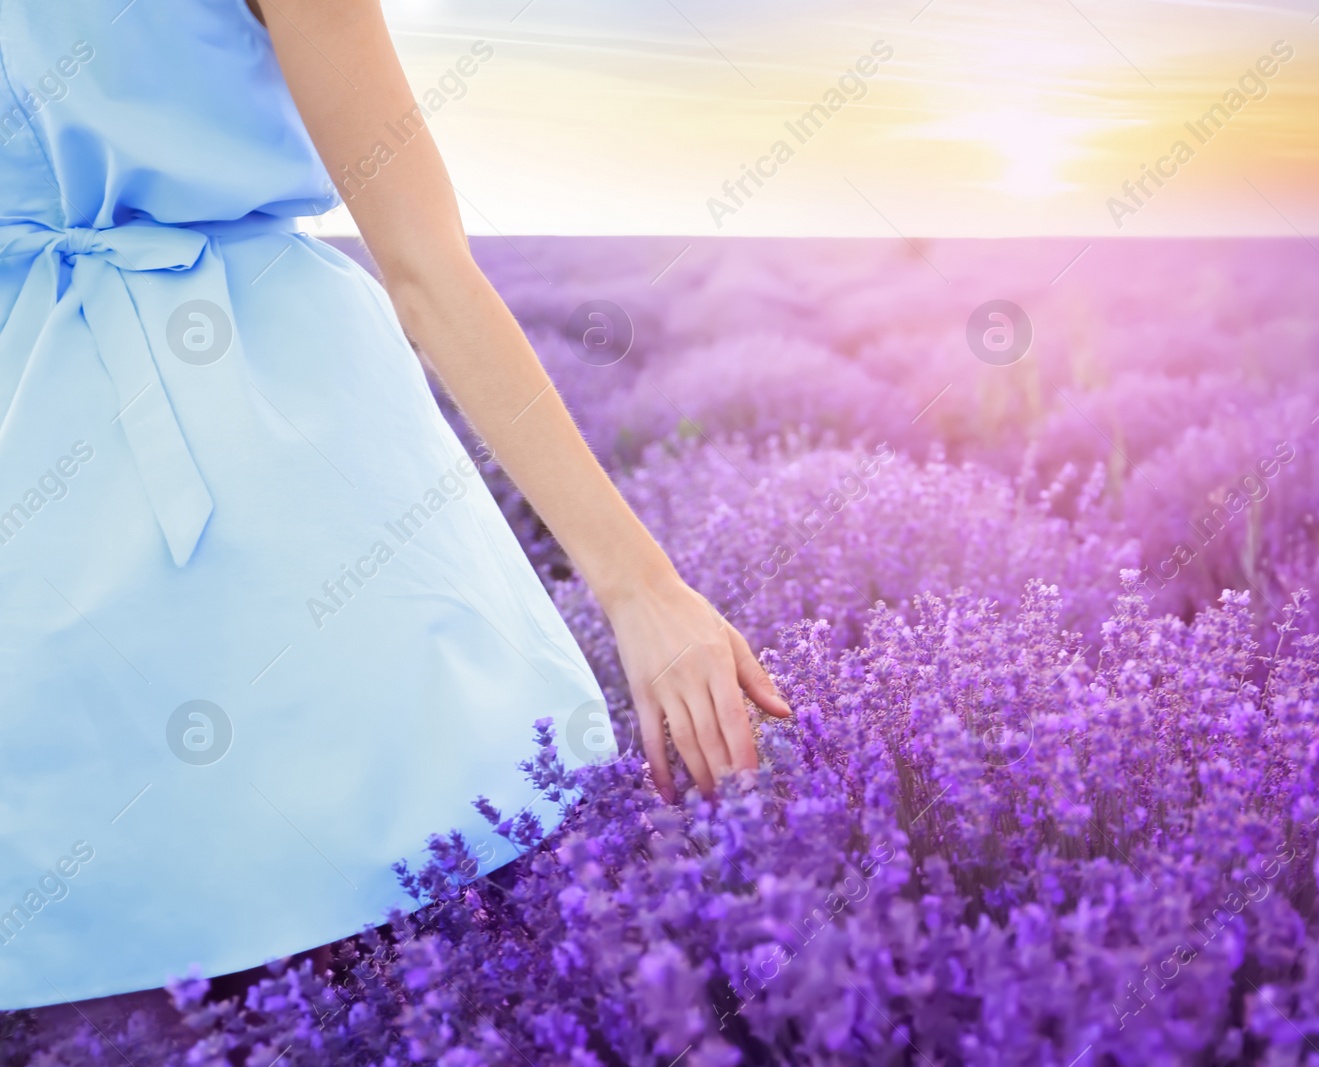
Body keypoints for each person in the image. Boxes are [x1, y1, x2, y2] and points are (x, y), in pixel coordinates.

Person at [0, 0, 789, 1022]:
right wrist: (641, 587)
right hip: (279, 443)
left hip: (33, 439)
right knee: (404, 940)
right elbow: (424, 269)